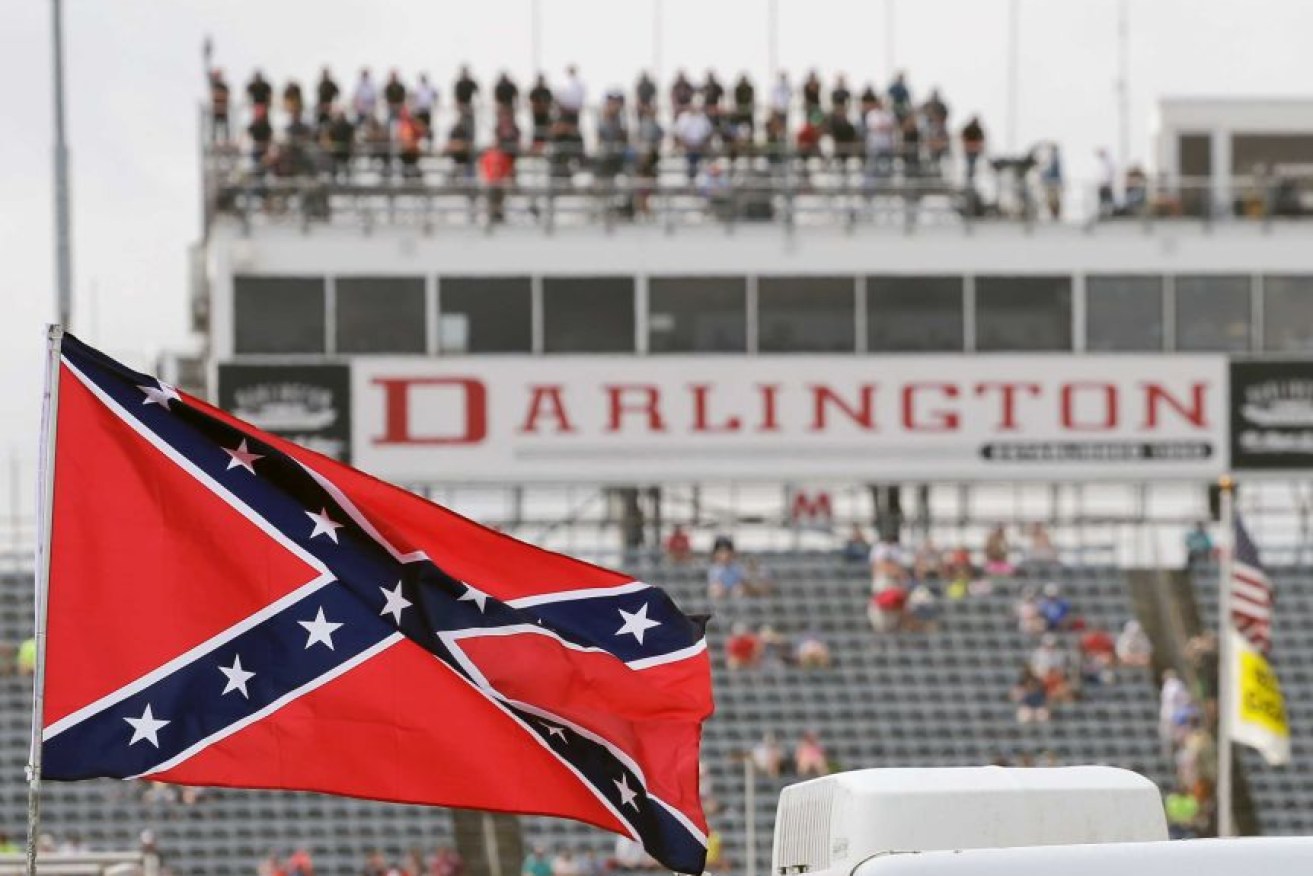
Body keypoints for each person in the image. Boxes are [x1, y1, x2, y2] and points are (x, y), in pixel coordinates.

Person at [675, 102, 714, 181]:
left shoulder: (703, 117)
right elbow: (678, 134)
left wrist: (702, 145)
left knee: (701, 166)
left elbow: (709, 132)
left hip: (700, 147)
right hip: (687, 148)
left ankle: (698, 179)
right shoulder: (683, 117)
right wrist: (685, 145)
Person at [864, 97, 897, 187]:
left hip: (887, 145)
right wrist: (883, 127)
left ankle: (888, 186)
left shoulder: (890, 114)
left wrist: (884, 127)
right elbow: (874, 127)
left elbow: (891, 127)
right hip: (875, 145)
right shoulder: (872, 114)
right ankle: (871, 188)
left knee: (889, 167)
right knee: (872, 167)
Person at [528, 74, 554, 148]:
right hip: (537, 114)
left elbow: (550, 102)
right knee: (537, 131)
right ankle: (537, 147)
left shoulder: (546, 91)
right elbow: (531, 101)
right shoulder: (534, 91)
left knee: (546, 130)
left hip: (545, 114)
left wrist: (545, 106)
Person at [961, 115, 986, 183]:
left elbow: (981, 139)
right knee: (970, 163)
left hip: (973, 149)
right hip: (970, 148)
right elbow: (963, 137)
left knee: (971, 163)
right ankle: (969, 176)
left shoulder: (978, 129)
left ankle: (970, 176)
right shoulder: (971, 128)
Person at [209, 68, 231, 142]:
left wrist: (220, 96)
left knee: (225, 126)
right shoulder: (213, 86)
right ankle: (214, 140)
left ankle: (226, 140)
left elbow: (226, 96)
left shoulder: (223, 86)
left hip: (223, 109)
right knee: (214, 126)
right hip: (216, 109)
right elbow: (213, 96)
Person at [1096, 148, 1117, 216]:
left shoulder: (1109, 162)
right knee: (1103, 200)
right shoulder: (1102, 162)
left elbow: (1110, 173)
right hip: (1103, 184)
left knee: (1108, 199)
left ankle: (1109, 212)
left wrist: (1108, 182)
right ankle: (1104, 212)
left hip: (1107, 184)